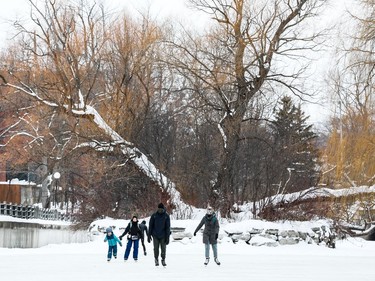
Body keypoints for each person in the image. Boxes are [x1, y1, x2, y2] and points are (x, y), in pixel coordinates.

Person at [148, 202, 171, 267]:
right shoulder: (154, 216)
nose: (160, 210)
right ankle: (156, 259)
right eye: (159, 209)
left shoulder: (166, 216)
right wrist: (149, 235)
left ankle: (163, 259)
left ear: (163, 209)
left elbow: (168, 227)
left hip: (163, 235)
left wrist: (167, 237)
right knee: (156, 248)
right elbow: (150, 226)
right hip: (155, 234)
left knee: (163, 248)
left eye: (161, 209)